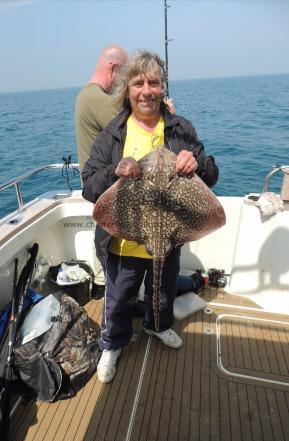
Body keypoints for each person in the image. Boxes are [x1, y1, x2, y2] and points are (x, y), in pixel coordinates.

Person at [82, 50, 219, 383]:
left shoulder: (180, 129)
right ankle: (111, 343)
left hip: (169, 234)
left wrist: (196, 164)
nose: (146, 90)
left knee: (163, 291)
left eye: (154, 83)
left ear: (162, 88)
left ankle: (158, 326)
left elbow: (212, 173)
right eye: (139, 83)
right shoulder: (113, 133)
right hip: (124, 239)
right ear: (127, 89)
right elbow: (89, 185)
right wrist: (115, 172)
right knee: (119, 297)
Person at [75, 45, 128, 298]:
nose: (125, 82)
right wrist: (165, 115)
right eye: (125, 75)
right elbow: (131, 128)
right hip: (102, 180)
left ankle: (107, 287)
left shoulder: (86, 95)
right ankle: (115, 293)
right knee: (108, 240)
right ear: (113, 68)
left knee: (105, 234)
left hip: (98, 178)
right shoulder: (97, 99)